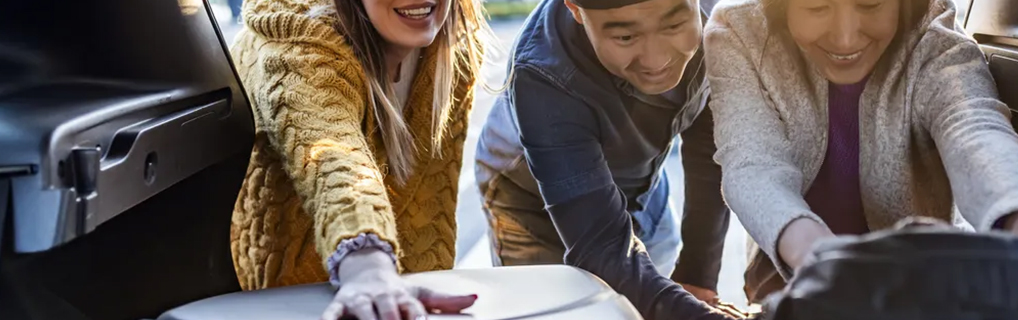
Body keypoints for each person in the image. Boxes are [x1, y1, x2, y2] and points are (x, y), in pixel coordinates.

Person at [705, 0, 1018, 302]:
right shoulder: (738, 33)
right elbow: (751, 162)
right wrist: (821, 259)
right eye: (818, 8)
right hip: (789, 263)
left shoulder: (935, 38)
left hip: (919, 280)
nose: (845, 38)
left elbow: (976, 132)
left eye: (870, 4)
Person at [227, 0, 489, 319]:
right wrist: (368, 267)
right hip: (283, 304)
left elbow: (428, 221)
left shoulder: (453, 45)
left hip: (386, 299)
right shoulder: (294, 43)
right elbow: (334, 159)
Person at [472, 0, 734, 317]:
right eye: (625, 37)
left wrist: (697, 273)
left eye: (673, 26)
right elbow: (600, 245)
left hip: (642, 173)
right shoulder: (542, 75)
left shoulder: (720, 20)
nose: (657, 60)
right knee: (560, 310)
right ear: (576, 10)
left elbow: (711, 148)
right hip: (531, 197)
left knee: (652, 291)